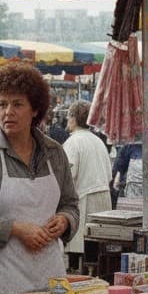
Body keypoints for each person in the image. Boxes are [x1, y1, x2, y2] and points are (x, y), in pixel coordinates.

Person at [0, 62, 78, 294]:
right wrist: (15, 229)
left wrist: (65, 220)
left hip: (48, 274)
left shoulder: (54, 153)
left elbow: (71, 203)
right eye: (2, 104)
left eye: (17, 104)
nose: (8, 112)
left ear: (35, 110)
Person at [63, 100, 114, 269]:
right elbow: (109, 174)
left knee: (79, 243)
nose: (67, 120)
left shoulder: (73, 142)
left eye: (69, 115)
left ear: (74, 118)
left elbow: (68, 175)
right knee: (96, 243)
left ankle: (76, 272)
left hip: (85, 197)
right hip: (103, 195)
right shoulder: (98, 141)